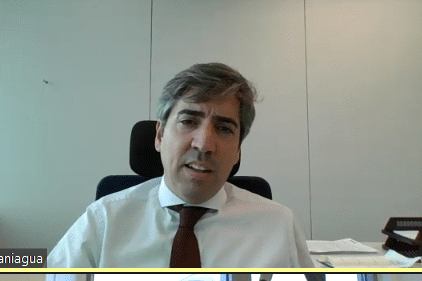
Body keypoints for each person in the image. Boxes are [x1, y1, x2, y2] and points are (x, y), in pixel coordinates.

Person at [48, 63, 314, 268]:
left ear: (238, 151)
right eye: (188, 122)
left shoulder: (279, 226)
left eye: (224, 128)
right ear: (160, 136)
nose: (204, 144)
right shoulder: (104, 220)